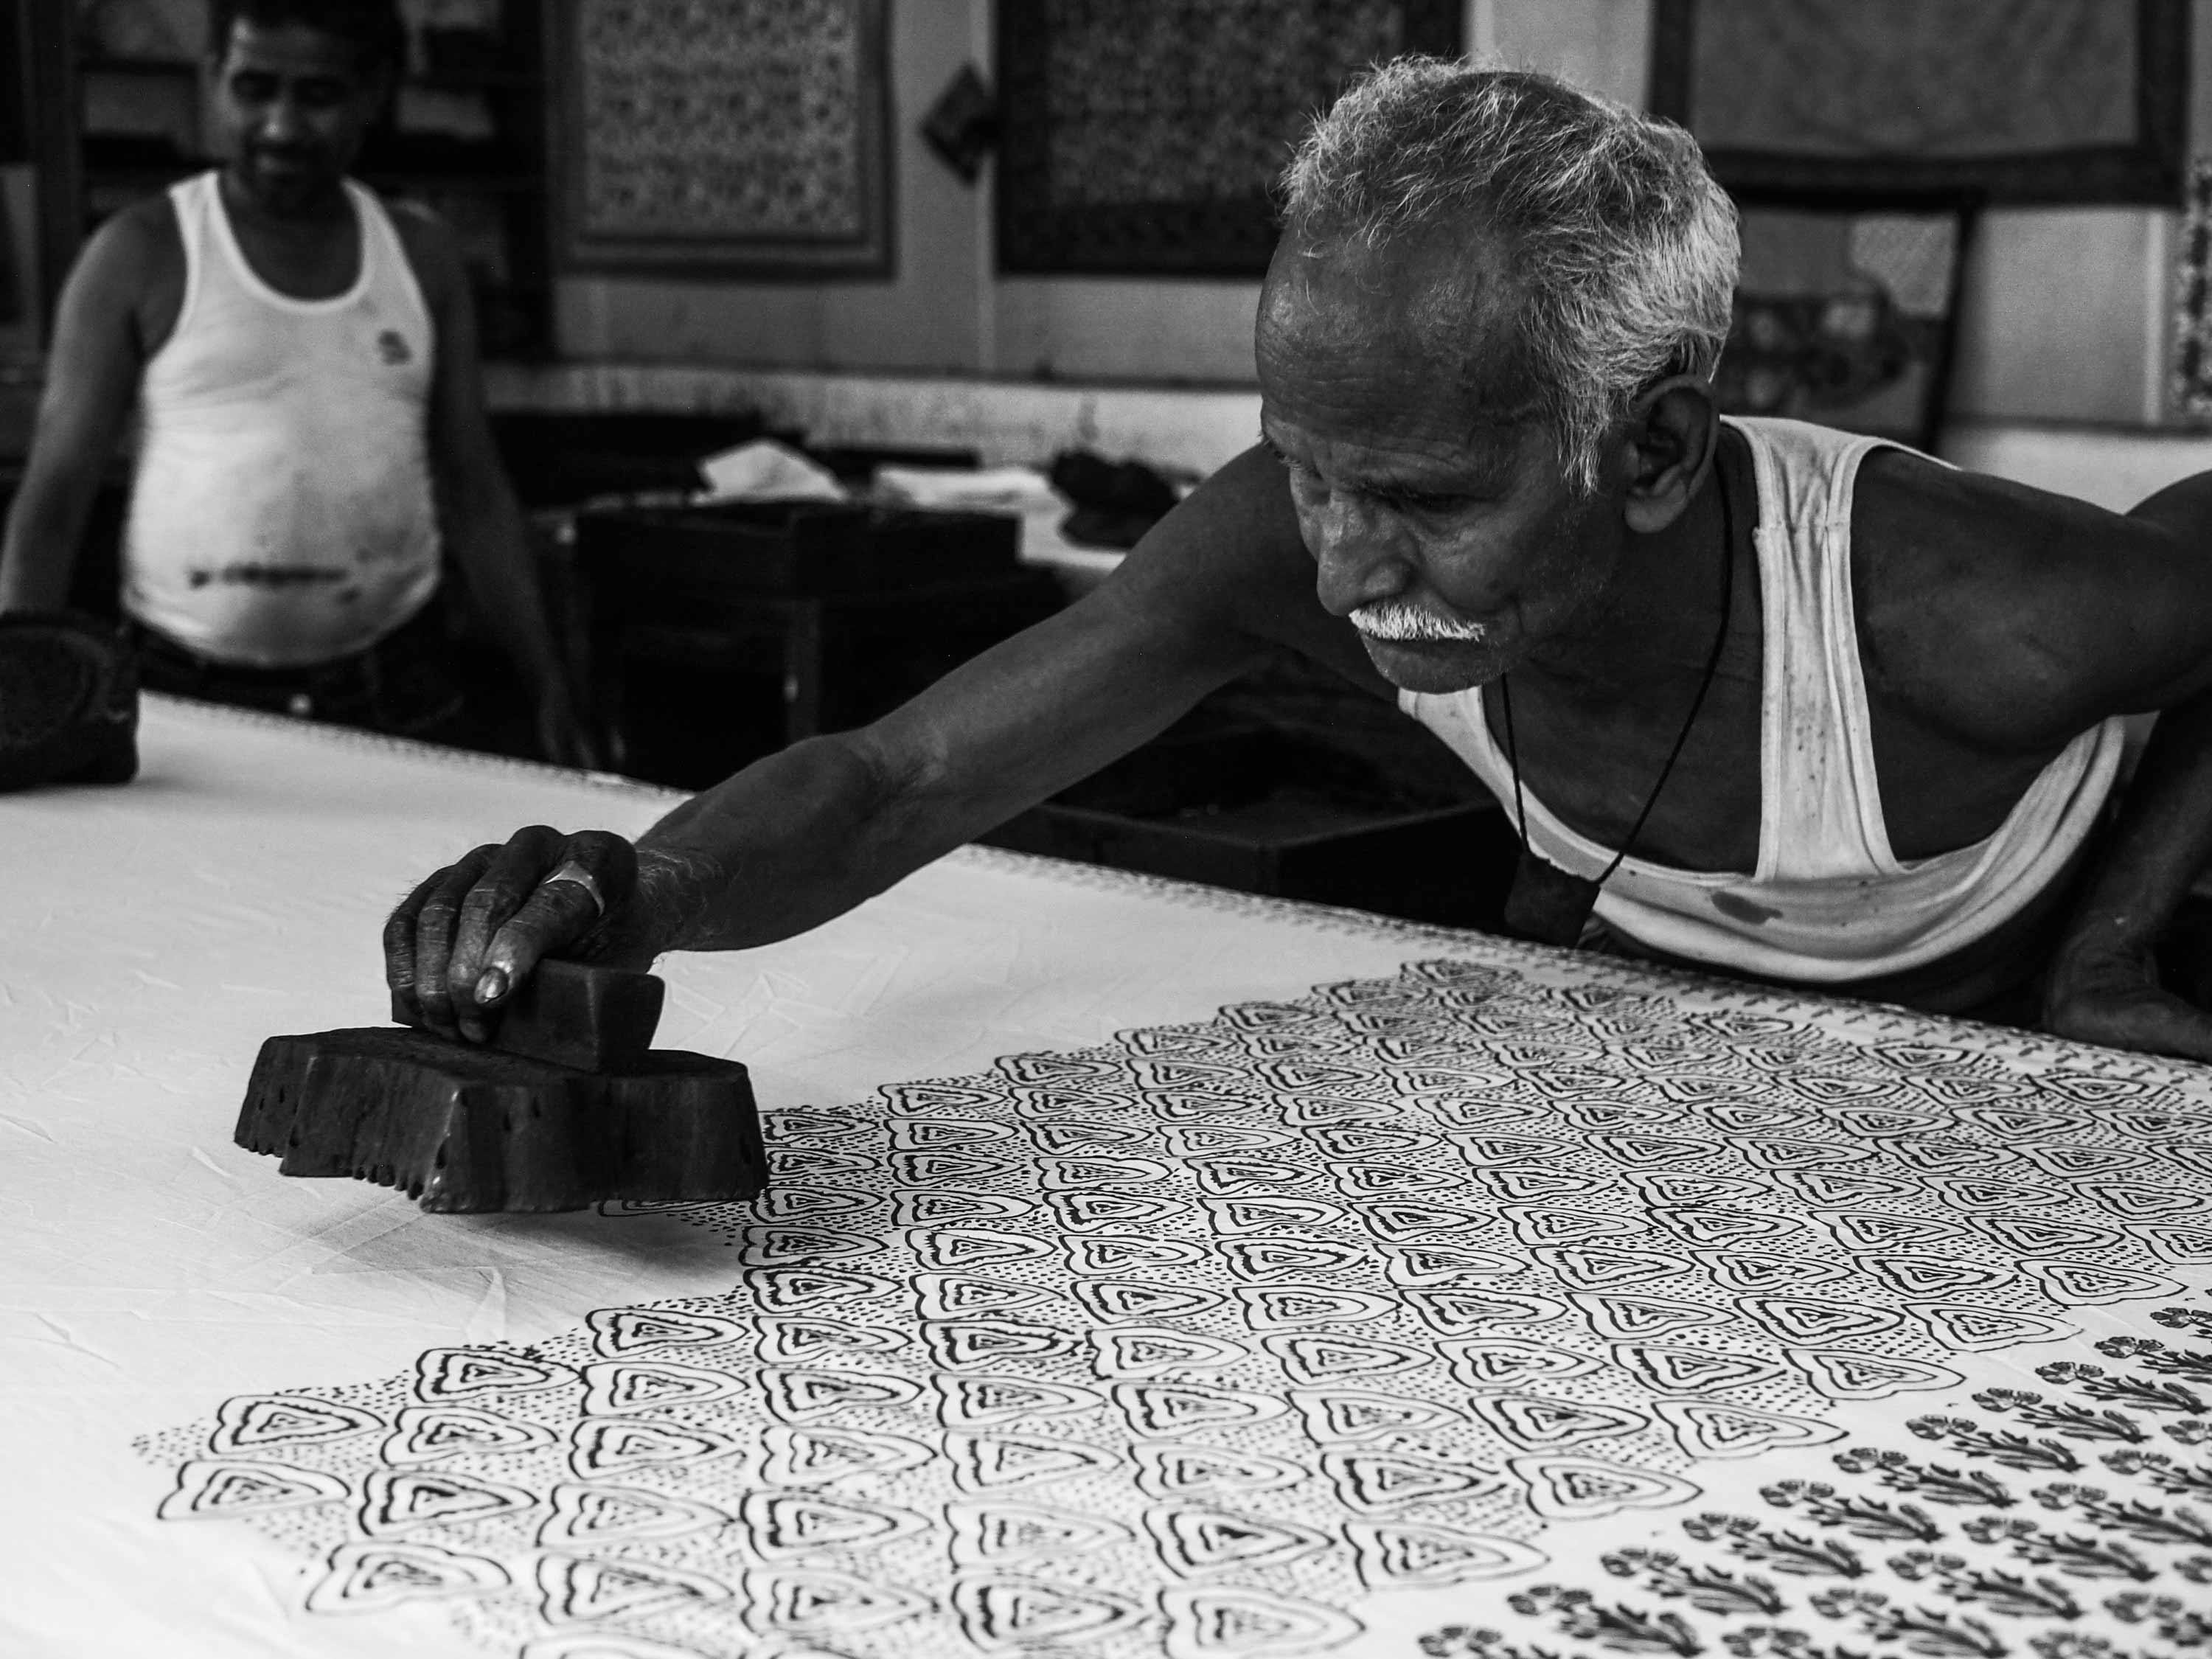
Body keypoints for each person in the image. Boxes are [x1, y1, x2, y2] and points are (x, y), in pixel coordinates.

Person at [386, 58, 2212, 1062]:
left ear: (1647, 447)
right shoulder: (1302, 532)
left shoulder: (1968, 615)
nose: (1339, 566)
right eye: (1302, 470)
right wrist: (644, 889)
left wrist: (2102, 957)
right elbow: (895, 778)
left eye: (1415, 498)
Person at [0, 0, 591, 762]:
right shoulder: (141, 252)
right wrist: (16, 695)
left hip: (395, 693)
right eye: (254, 89)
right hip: (188, 696)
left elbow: (473, 486)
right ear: (214, 83)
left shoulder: (420, 256)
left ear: (372, 95)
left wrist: (548, 681)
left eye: (317, 96)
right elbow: (54, 499)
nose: (281, 126)